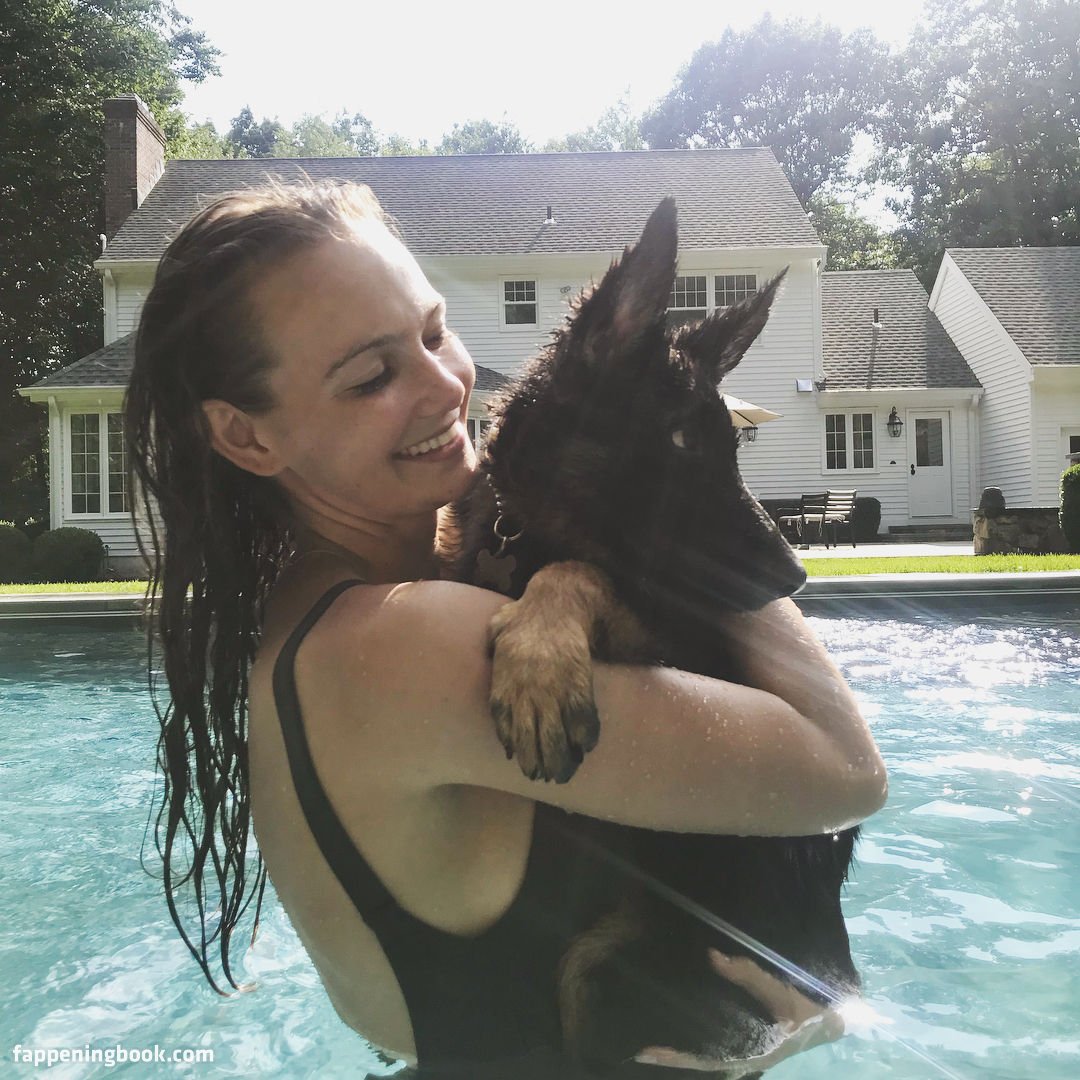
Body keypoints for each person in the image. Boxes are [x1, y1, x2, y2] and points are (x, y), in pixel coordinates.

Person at [125, 180, 887, 1078]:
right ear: (247, 438)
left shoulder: (332, 609)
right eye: (371, 377)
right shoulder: (403, 642)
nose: (446, 385)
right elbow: (846, 771)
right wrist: (686, 512)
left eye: (434, 332)